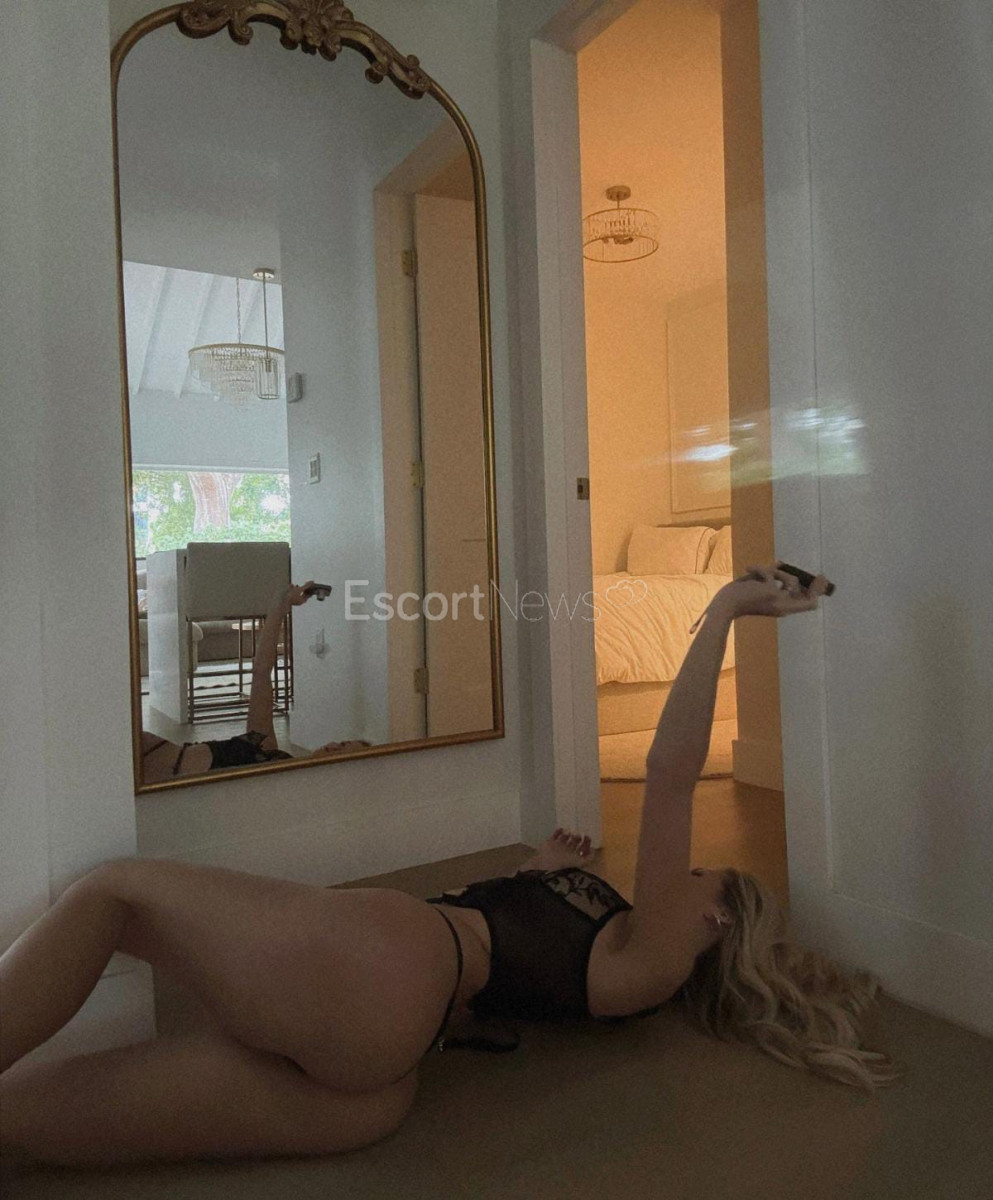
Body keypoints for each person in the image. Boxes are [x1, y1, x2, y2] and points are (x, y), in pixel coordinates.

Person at [0, 565, 894, 1168]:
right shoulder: (619, 945)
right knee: (22, 1117)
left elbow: (669, 773)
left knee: (115, 891)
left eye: (705, 876)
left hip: (394, 964)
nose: (688, 871)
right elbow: (530, 953)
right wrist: (540, 872)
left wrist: (724, 611)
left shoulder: (654, 962)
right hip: (385, 1073)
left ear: (716, 919)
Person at [140, 581, 369, 782]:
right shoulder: (270, 751)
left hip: (158, 776)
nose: (334, 746)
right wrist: (280, 605)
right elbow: (261, 672)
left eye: (341, 753)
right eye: (341, 743)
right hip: (158, 754)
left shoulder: (279, 780)